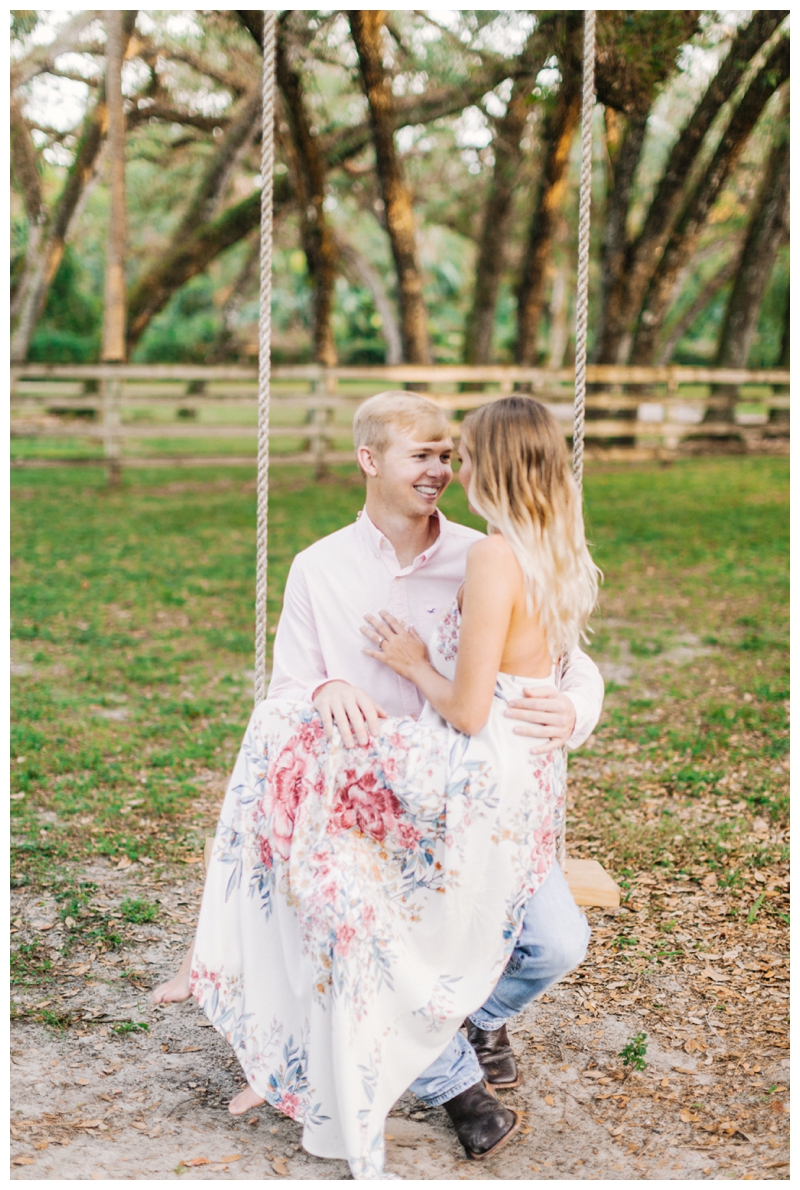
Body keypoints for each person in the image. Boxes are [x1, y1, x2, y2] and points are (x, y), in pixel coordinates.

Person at [176, 395, 601, 1179]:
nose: (443, 469)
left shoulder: (486, 550)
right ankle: (457, 1088)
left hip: (469, 797)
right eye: (426, 455)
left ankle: (469, 1020)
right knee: (349, 913)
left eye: (451, 454)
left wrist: (577, 708)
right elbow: (284, 691)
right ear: (370, 461)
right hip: (377, 812)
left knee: (557, 941)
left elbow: (560, 664)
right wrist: (320, 689)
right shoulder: (320, 567)